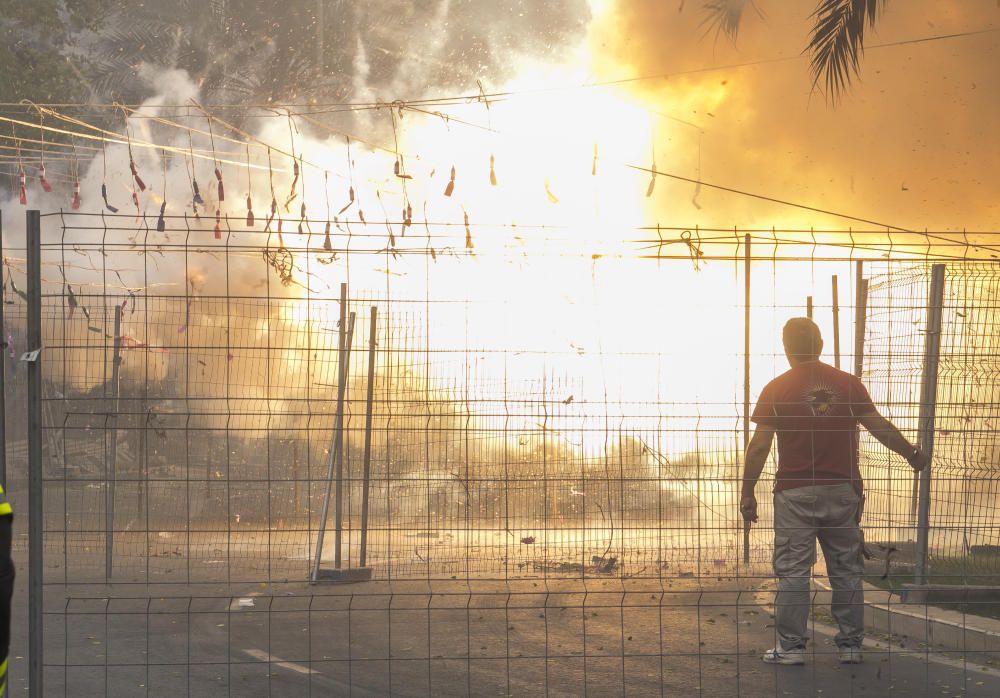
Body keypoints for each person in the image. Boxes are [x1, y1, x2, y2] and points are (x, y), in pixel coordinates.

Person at [740, 317, 928, 666]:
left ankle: (791, 648)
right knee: (846, 570)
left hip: (795, 492)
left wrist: (747, 491)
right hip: (842, 489)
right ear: (821, 345)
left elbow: (759, 446)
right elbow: (878, 426)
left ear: (786, 348)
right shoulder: (849, 385)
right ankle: (851, 646)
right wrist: (912, 454)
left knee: (794, 571)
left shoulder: (777, 388)